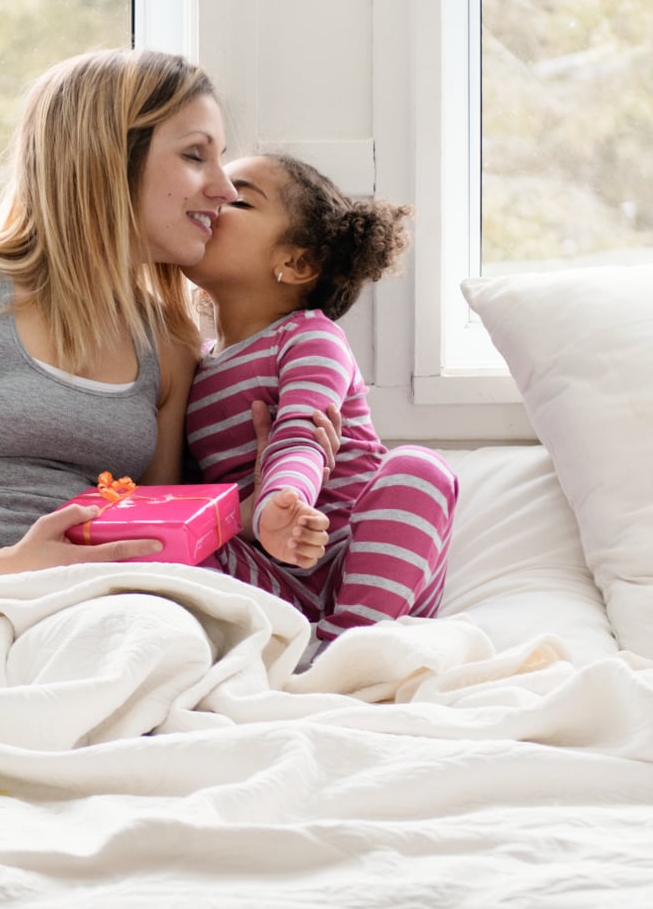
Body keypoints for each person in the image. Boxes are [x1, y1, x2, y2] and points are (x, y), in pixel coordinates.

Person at [0, 48, 333, 575]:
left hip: (84, 604)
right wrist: (7, 568)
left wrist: (250, 507)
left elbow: (155, 536)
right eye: (194, 155)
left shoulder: (168, 342)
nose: (223, 188)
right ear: (108, 157)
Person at [184, 153, 460, 652]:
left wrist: (281, 503)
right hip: (271, 572)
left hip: (359, 558)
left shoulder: (309, 337)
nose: (217, 196)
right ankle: (306, 644)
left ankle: (349, 646)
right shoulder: (193, 364)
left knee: (419, 469)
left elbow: (301, 436)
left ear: (295, 263)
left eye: (240, 197)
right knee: (165, 556)